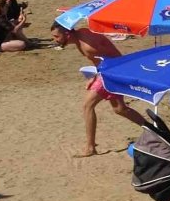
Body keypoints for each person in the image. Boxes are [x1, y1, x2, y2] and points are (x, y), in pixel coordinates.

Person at [50, 23, 145, 156]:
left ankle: (90, 147)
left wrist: (96, 78)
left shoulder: (88, 46)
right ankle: (155, 130)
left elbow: (106, 61)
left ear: (67, 34)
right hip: (112, 71)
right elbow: (101, 59)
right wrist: (93, 77)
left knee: (88, 106)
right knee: (120, 109)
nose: (55, 40)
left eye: (56, 36)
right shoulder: (82, 34)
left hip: (112, 73)